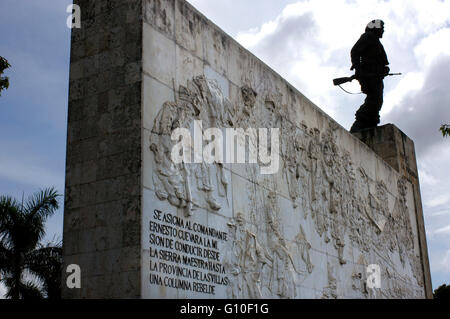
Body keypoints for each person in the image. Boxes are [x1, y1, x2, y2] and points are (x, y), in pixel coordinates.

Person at [349, 19, 390, 133]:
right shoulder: (368, 37)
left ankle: (369, 123)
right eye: (381, 28)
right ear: (375, 27)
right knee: (374, 100)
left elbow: (379, 61)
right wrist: (359, 69)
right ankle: (360, 124)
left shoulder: (375, 41)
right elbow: (355, 51)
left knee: (377, 101)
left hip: (375, 76)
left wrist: (384, 69)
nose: (383, 30)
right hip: (369, 75)